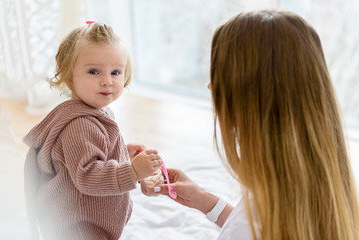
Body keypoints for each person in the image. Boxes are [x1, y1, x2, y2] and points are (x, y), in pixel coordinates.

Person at [142, 10, 359, 240]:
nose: (210, 86)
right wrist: (206, 202)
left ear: (250, 95)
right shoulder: (322, 188)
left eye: (220, 75)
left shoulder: (250, 222)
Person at [23, 22, 163, 240]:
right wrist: (133, 172)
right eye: (94, 71)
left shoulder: (97, 112)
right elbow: (88, 176)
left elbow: (85, 153)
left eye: (115, 72)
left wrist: (122, 152)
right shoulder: (80, 125)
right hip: (79, 227)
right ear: (70, 77)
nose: (107, 81)